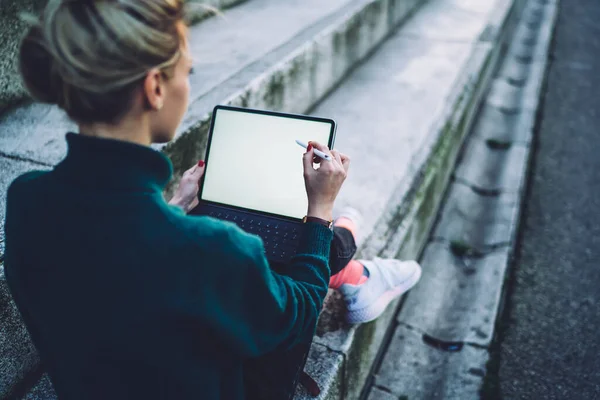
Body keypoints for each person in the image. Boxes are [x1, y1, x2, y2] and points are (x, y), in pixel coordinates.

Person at [3, 1, 421, 399]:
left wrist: (175, 207)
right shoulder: (210, 248)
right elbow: (298, 316)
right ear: (154, 88)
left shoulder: (26, 200)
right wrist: (320, 210)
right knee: (297, 246)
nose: (189, 84)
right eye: (188, 72)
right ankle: (356, 271)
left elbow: (122, 258)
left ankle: (356, 269)